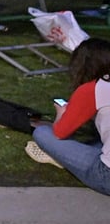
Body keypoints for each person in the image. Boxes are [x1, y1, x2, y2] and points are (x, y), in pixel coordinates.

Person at [30, 38, 110, 196]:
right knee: (96, 141)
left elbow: (60, 133)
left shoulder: (92, 89)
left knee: (42, 133)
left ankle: (61, 158)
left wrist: (61, 113)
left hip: (106, 174)